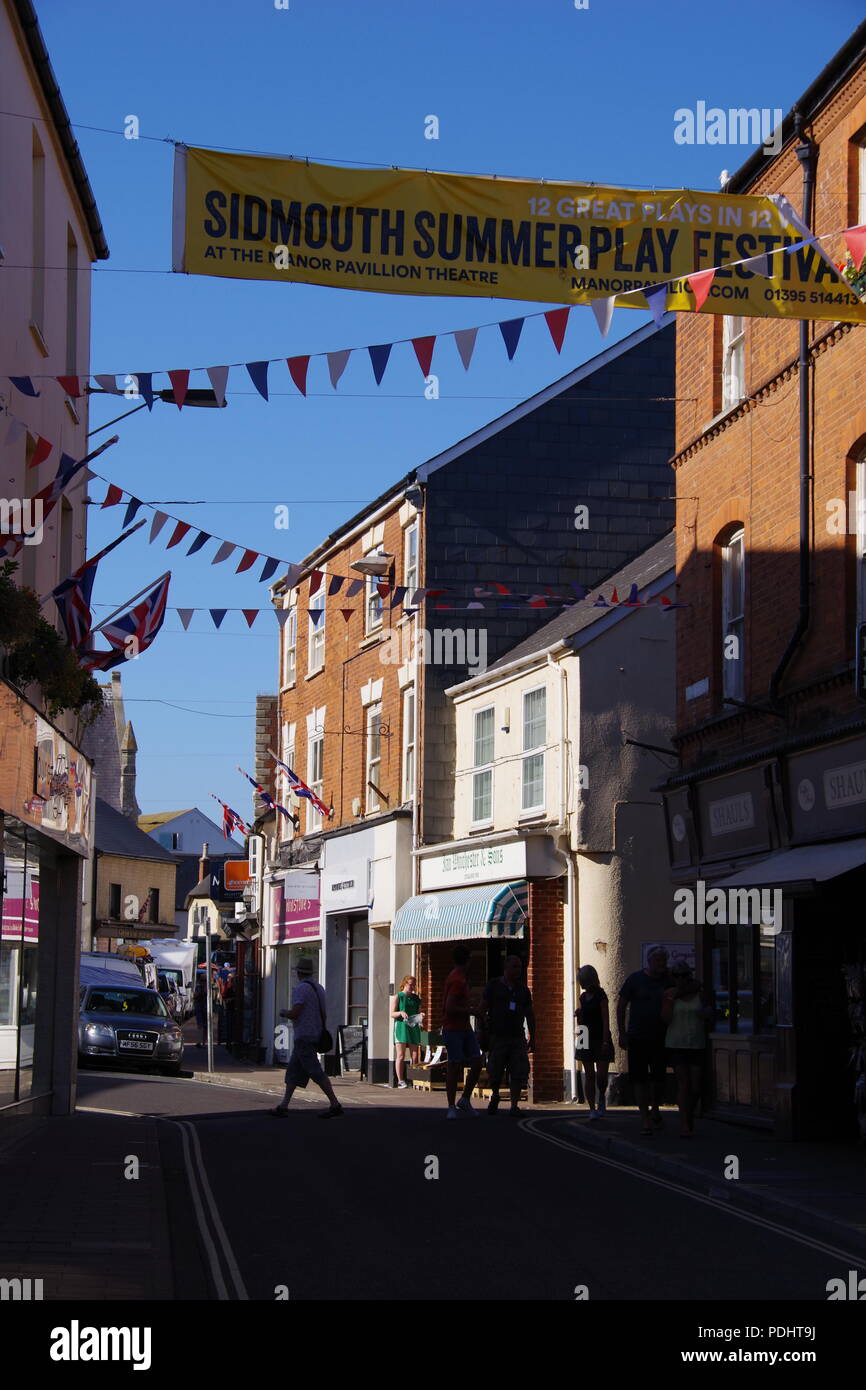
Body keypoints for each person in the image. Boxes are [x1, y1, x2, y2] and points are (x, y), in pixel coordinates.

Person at [269, 959, 343, 1120]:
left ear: (298, 973)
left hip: (304, 1035)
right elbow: (323, 1013)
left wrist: (284, 1013)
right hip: (315, 1034)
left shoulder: (301, 989)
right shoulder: (319, 988)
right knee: (293, 1072)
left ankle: (335, 1104)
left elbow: (296, 1012)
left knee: (316, 1072)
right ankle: (284, 1105)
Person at [617, 946, 670, 1135]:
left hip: (660, 1037)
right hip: (638, 1036)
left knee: (658, 1078)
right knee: (639, 1079)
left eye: (664, 960)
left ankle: (655, 1108)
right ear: (649, 961)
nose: (662, 964)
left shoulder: (668, 979)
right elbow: (621, 1005)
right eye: (658, 961)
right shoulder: (635, 979)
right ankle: (644, 1118)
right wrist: (622, 1033)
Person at [662, 961, 713, 1137]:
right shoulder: (669, 994)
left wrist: (706, 1013)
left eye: (684, 975)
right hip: (676, 1043)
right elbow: (666, 1019)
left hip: (697, 1043)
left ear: (689, 976)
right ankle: (685, 1123)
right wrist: (670, 999)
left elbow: (709, 1011)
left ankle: (689, 1115)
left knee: (696, 1086)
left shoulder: (699, 992)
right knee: (684, 1084)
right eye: (677, 976)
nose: (681, 979)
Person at [483, 955, 534, 1115]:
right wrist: (484, 1028)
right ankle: (495, 1096)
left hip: (517, 1036)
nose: (517, 970)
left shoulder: (523, 990)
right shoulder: (494, 986)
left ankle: (514, 1105)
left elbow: (530, 1014)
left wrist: (533, 1035)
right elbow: (483, 1007)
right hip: (498, 1035)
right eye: (514, 967)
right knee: (495, 1070)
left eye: (519, 967)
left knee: (518, 1071)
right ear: (505, 968)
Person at [442, 944, 483, 1119]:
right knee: (454, 1065)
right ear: (468, 960)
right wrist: (472, 1011)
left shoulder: (459, 978)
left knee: (477, 1061)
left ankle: (464, 1099)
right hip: (454, 1029)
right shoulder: (458, 980)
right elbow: (449, 1007)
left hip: (464, 1028)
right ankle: (451, 1106)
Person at [574, 964, 614, 1120]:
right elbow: (582, 1022)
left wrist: (605, 1041)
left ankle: (601, 1098)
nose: (581, 984)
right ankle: (592, 1108)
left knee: (601, 1076)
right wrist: (579, 1015)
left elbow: (605, 1019)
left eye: (582, 980)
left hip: (599, 1035)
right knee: (589, 1074)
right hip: (584, 1035)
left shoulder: (601, 995)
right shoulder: (583, 997)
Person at [391, 974, 423, 1088]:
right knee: (401, 1055)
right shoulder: (398, 996)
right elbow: (392, 1013)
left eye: (414, 985)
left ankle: (414, 1079)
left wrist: (421, 1016)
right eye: (410, 984)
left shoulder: (416, 998)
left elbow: (418, 1011)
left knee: (414, 1055)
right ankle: (400, 1080)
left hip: (413, 1026)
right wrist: (400, 1013)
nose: (412, 987)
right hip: (401, 1027)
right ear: (404, 984)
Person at [193, 971, 208, 1047]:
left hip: (206, 1008)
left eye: (204, 980)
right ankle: (199, 1041)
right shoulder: (198, 987)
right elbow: (194, 996)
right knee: (200, 1025)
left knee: (205, 1026)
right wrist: (199, 992)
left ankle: (203, 1042)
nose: (203, 982)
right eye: (202, 980)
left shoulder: (208, 988)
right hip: (199, 1008)